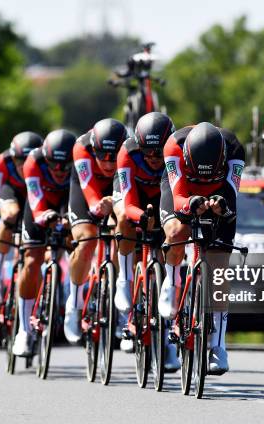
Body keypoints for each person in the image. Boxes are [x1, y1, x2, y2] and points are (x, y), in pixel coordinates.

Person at [158, 122, 245, 375]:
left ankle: (218, 346)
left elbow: (231, 192)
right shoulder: (173, 147)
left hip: (219, 193)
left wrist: (221, 205)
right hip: (183, 191)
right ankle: (171, 283)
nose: (205, 177)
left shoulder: (235, 149)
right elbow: (177, 197)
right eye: (201, 172)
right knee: (175, 232)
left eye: (211, 172)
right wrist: (190, 203)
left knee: (218, 270)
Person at [111, 112, 181, 371]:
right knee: (123, 219)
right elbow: (127, 203)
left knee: (173, 245)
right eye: (147, 152)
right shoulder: (127, 153)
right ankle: (125, 281)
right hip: (135, 199)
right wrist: (142, 217)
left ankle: (169, 342)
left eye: (158, 153)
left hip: (164, 198)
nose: (152, 158)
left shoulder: (176, 153)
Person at [10, 129, 76, 356]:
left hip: (67, 200)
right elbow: (36, 201)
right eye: (53, 164)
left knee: (78, 243)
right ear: (45, 158)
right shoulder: (32, 162)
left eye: (65, 165)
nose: (59, 170)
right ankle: (24, 330)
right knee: (32, 259)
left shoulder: (80, 162)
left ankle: (74, 303)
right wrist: (44, 217)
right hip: (40, 204)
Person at [64, 118, 128, 343]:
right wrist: (99, 206)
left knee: (124, 235)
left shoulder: (130, 150)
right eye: (102, 157)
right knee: (87, 239)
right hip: (86, 189)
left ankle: (123, 300)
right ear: (93, 149)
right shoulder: (81, 148)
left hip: (116, 189)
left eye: (114, 158)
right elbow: (90, 193)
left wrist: (116, 206)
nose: (109, 164)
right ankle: (74, 302)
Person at [0, 132, 43, 305]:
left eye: (28, 161)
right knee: (10, 215)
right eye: (18, 161)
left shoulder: (45, 162)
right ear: (12, 158)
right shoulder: (3, 161)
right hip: (13, 193)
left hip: (36, 196)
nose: (23, 167)